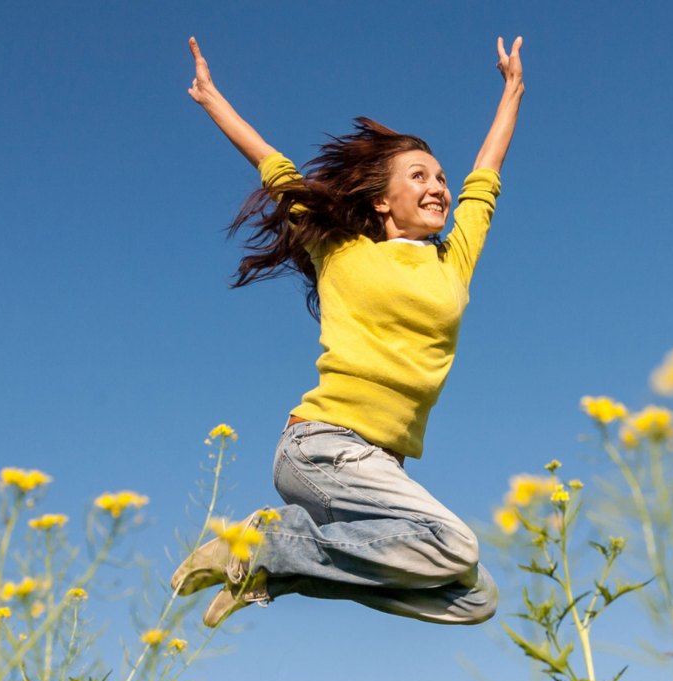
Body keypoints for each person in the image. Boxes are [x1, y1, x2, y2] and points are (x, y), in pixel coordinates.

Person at [175, 34, 525, 628]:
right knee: (453, 544)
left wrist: (513, 91)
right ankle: (266, 544)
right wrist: (212, 99)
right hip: (322, 447)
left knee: (473, 595)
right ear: (385, 201)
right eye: (419, 175)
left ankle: (273, 571)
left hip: (379, 470)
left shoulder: (452, 261)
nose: (438, 186)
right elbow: (276, 168)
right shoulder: (338, 248)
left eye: (440, 176)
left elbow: (484, 179)